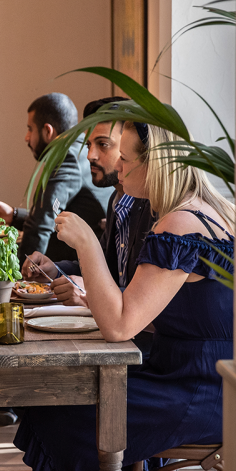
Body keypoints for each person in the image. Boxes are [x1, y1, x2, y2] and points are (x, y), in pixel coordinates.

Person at [13, 120, 235, 471]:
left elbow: (121, 326)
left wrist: (88, 246)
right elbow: (157, 315)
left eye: (126, 162)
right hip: (199, 374)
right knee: (62, 395)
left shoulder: (177, 224)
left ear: (154, 163)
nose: (118, 171)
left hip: (200, 389)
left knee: (59, 405)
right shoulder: (207, 212)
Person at [22, 97, 156, 354]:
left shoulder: (154, 209)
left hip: (146, 353)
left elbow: (144, 300)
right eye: (89, 145)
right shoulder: (118, 201)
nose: (90, 156)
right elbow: (104, 270)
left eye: (103, 145)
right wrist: (55, 269)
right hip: (120, 344)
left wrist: (87, 296)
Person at [0, 93, 114, 262]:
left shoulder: (68, 156)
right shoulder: (79, 148)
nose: (26, 137)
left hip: (76, 269)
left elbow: (42, 224)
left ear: (47, 130)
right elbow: (54, 211)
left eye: (30, 129)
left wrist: (21, 278)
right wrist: (14, 215)